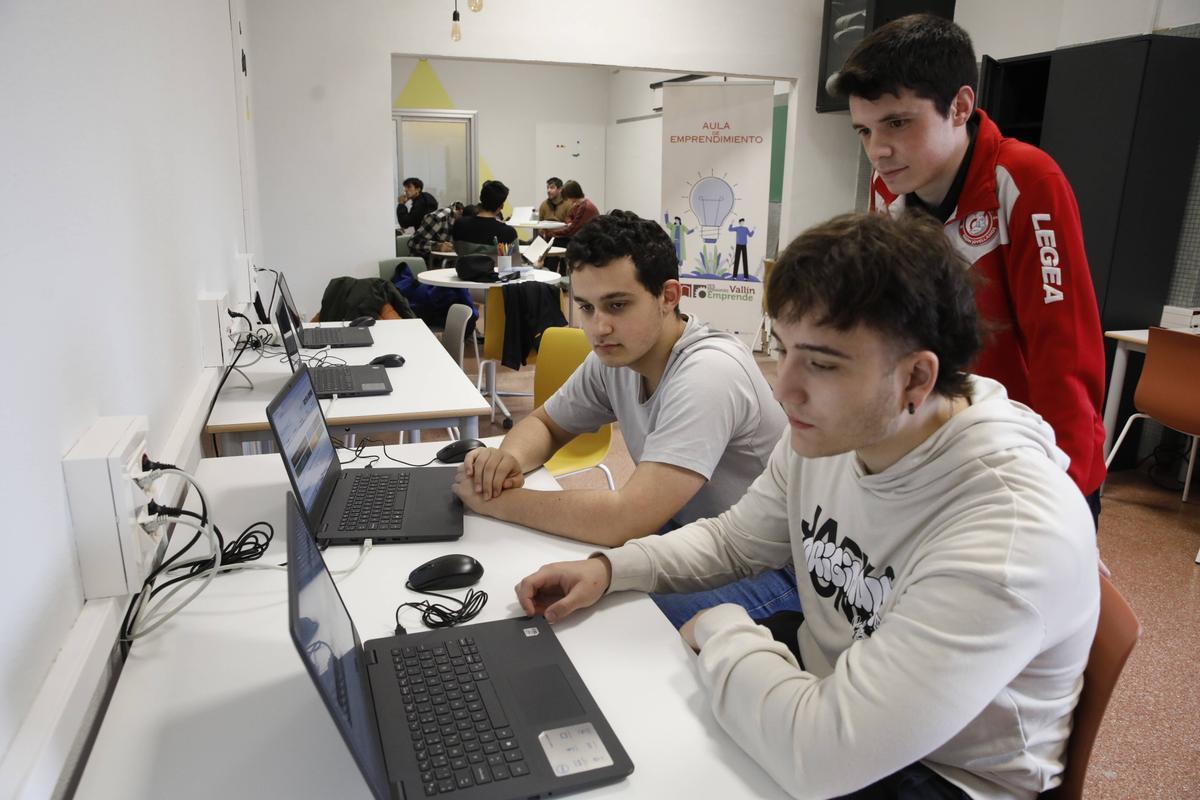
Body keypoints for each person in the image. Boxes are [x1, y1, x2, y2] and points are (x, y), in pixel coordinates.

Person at [514, 211, 1101, 799]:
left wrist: (725, 630)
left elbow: (823, 756)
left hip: (946, 774)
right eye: (785, 350)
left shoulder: (1009, 531)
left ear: (916, 379)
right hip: (830, 683)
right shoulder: (834, 437)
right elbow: (733, 541)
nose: (784, 388)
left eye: (821, 363)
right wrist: (609, 568)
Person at [454, 210, 796, 626]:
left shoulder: (709, 372)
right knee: (572, 582)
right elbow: (546, 424)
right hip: (687, 534)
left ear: (669, 296)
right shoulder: (615, 356)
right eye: (585, 306)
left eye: (617, 305)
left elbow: (625, 518)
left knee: (613, 621)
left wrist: (500, 502)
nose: (598, 327)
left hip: (772, 568)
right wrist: (508, 460)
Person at [830, 14, 1107, 526]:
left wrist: (1066, 493)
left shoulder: (1025, 179)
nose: (878, 149)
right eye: (865, 130)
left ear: (959, 106)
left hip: (1021, 453)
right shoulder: (886, 189)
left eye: (897, 122)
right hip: (933, 444)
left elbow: (1064, 351)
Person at [451, 180, 519, 253]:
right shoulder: (508, 233)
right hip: (494, 264)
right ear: (501, 206)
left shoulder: (459, 225)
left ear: (481, 199)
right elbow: (514, 262)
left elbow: (456, 249)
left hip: (463, 264)